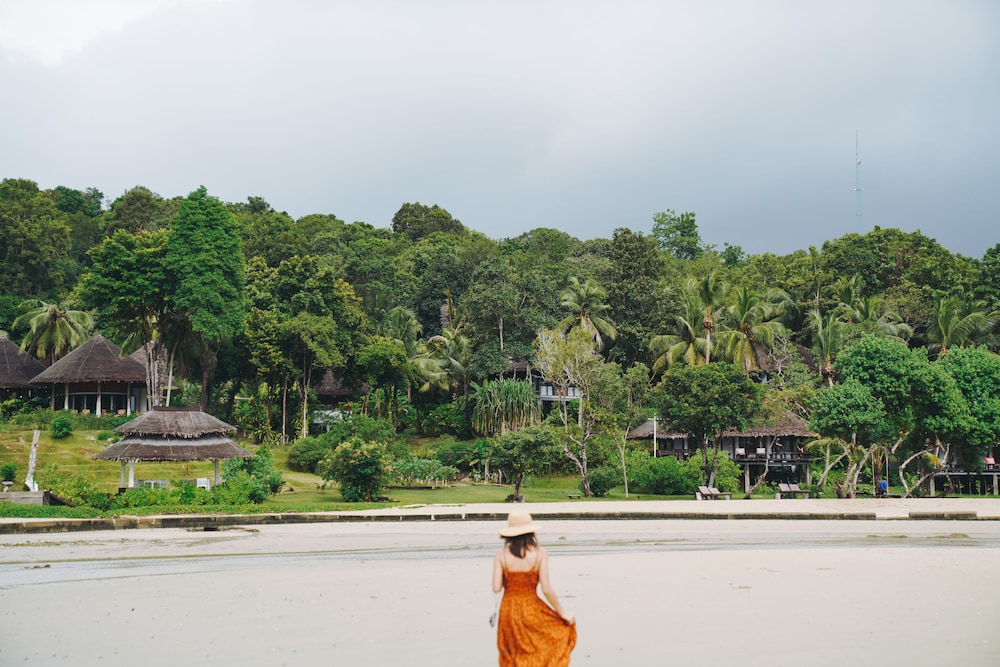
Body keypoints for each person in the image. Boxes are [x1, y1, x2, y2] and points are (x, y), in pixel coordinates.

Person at [492, 511, 576, 666]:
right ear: (531, 532)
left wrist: (511, 579)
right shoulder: (539, 554)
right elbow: (546, 589)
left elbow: (496, 588)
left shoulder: (501, 555)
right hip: (531, 608)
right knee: (537, 648)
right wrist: (562, 612)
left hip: (508, 610)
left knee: (513, 654)